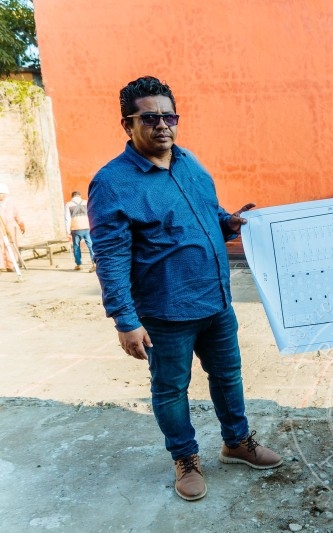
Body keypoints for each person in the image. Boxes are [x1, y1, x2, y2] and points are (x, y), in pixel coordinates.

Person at [88, 76, 282, 501]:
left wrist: (227, 221)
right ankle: (185, 458)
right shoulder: (112, 183)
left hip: (217, 303)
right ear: (127, 125)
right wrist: (125, 319)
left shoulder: (189, 162)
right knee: (171, 389)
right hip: (166, 313)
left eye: (169, 116)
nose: (162, 125)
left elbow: (208, 212)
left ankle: (236, 442)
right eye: (150, 118)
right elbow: (110, 256)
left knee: (228, 376)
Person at [65, 191, 95, 271]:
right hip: (87, 227)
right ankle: (94, 263)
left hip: (75, 228)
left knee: (76, 246)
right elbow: (92, 214)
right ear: (80, 195)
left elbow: (67, 219)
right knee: (90, 245)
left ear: (72, 196)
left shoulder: (68, 204)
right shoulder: (86, 202)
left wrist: (67, 232)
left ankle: (79, 264)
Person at [0, 182, 25, 272]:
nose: (1, 196)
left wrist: (21, 224)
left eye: (2, 194)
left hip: (10, 227)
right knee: (1, 246)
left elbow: (17, 215)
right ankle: (1, 265)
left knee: (11, 244)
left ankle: (11, 265)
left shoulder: (11, 204)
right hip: (0, 228)